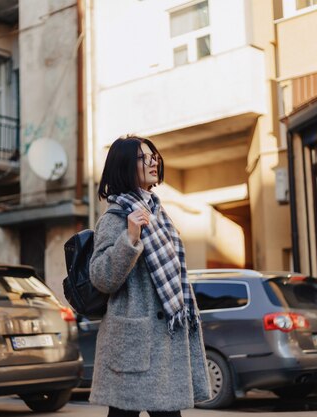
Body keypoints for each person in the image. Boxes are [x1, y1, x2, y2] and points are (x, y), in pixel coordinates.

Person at [89, 135, 211, 417]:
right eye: (143, 157)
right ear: (124, 167)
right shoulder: (115, 218)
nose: (153, 161)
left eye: (153, 155)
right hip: (133, 342)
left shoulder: (159, 214)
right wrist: (130, 238)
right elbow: (101, 277)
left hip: (164, 341)